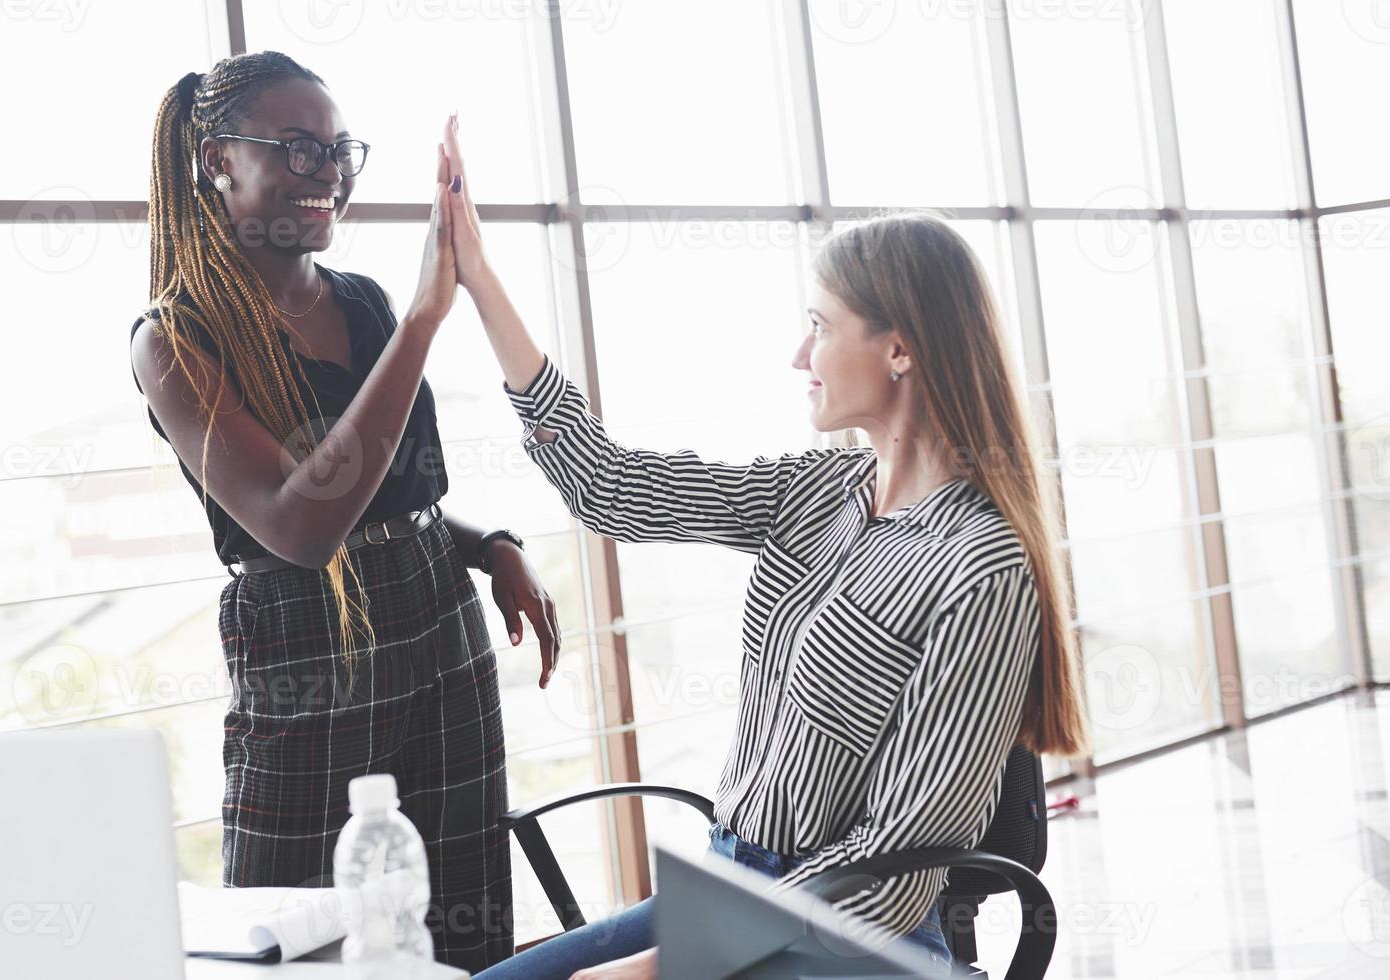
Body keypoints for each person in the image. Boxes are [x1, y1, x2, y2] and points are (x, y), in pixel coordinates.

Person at [434, 120, 1091, 978]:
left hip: (850, 935)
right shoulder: (817, 491)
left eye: (817, 327)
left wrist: (656, 969)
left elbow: (896, 866)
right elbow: (609, 487)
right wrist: (480, 280)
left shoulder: (981, 567)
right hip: (733, 883)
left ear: (899, 349)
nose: (797, 356)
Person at [128, 52, 560, 972]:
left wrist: (491, 545)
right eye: (296, 148)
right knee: (293, 918)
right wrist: (423, 322)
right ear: (215, 160)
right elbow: (300, 525)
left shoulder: (359, 302)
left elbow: (394, 496)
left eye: (338, 150)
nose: (327, 172)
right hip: (304, 638)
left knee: (457, 900)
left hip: (437, 615)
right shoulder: (177, 338)